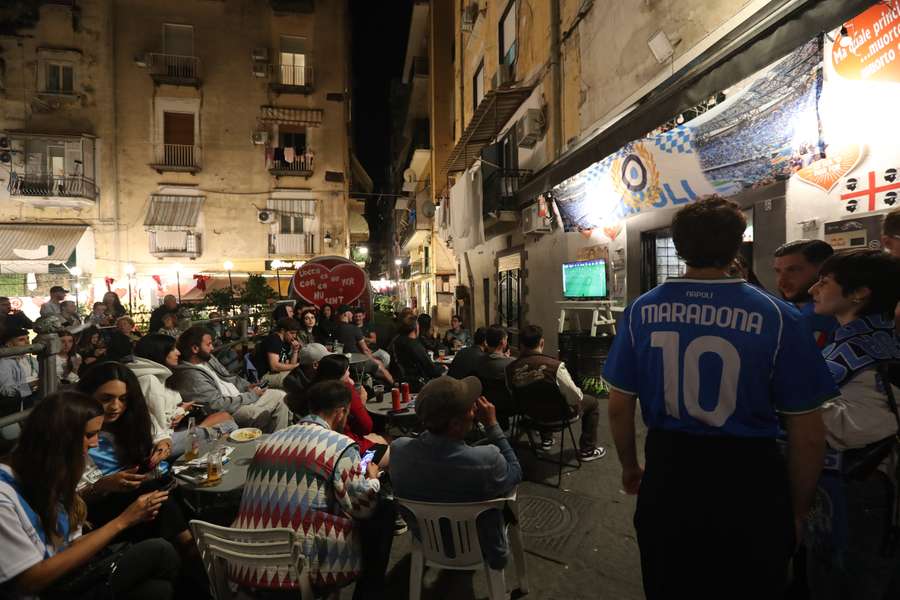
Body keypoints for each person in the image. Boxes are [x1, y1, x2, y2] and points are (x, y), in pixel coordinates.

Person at [603, 197, 838, 599]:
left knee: (669, 582)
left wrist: (630, 464)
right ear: (736, 246)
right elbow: (808, 431)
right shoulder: (778, 317)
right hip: (749, 479)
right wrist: (797, 510)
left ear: (678, 248)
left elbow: (620, 403)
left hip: (670, 471)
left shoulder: (642, 311)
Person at [0, 391, 180, 600]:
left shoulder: (49, 474)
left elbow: (71, 544)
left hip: (65, 579)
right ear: (60, 437)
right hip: (46, 591)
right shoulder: (6, 495)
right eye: (88, 435)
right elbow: (29, 581)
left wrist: (132, 517)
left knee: (157, 590)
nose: (95, 443)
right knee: (160, 552)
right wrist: (123, 521)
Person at [232, 380, 394, 599]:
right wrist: (372, 481)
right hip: (297, 567)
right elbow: (361, 508)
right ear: (341, 413)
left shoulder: (268, 441)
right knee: (383, 511)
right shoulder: (338, 444)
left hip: (245, 560)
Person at [805, 250, 900, 598]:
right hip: (844, 485)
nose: (814, 289)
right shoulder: (866, 339)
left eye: (824, 282)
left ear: (859, 293)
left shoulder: (874, 349)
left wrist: (795, 398)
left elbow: (863, 427)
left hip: (863, 488)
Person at [391, 376, 522, 569]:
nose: (475, 410)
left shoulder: (399, 449)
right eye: (470, 408)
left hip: (428, 541)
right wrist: (493, 427)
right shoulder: (487, 460)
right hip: (482, 548)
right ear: (455, 424)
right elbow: (516, 471)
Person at [76, 363, 194, 555]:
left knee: (170, 486)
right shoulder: (74, 431)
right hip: (99, 507)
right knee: (155, 493)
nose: (115, 407)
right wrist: (102, 485)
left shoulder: (133, 418)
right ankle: (191, 547)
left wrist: (164, 445)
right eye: (106, 399)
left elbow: (161, 434)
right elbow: (65, 501)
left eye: (123, 399)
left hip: (147, 488)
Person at [507, 324, 606, 460]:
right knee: (592, 402)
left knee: (537, 395)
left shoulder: (510, 369)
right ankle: (587, 450)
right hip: (559, 417)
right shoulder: (555, 367)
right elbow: (575, 398)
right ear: (542, 342)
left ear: (521, 345)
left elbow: (514, 396)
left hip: (530, 417)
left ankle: (546, 440)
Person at [130, 334, 236, 458]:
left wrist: (183, 409)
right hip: (160, 444)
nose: (178, 352)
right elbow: (161, 426)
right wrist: (182, 410)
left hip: (170, 432)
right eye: (173, 349)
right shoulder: (149, 380)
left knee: (223, 418)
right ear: (159, 352)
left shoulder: (157, 374)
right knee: (227, 423)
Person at [170, 326, 292, 432]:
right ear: (195, 349)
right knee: (260, 415)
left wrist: (247, 386)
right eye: (208, 344)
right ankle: (267, 445)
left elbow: (229, 377)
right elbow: (216, 405)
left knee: (282, 396)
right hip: (231, 408)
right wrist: (251, 396)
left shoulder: (208, 359)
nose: (212, 347)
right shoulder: (190, 375)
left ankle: (280, 439)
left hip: (241, 396)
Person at [312, 354, 390, 465]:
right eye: (348, 370)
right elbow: (366, 426)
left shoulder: (314, 388)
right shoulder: (344, 391)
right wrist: (361, 400)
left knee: (380, 438)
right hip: (347, 446)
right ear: (340, 374)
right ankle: (372, 476)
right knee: (392, 452)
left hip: (321, 444)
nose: (349, 374)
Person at [774, 239, 838, 347]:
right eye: (778, 271)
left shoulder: (837, 314)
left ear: (823, 269)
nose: (782, 281)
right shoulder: (782, 311)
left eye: (793, 270)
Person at [335, 305, 393, 383]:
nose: (353, 315)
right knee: (380, 366)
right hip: (357, 363)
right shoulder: (354, 329)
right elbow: (365, 350)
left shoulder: (335, 329)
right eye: (351, 313)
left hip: (343, 363)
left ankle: (372, 379)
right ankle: (394, 385)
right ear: (346, 314)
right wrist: (374, 360)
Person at [390, 313, 445, 391]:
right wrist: (443, 368)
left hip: (401, 382)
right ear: (415, 328)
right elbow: (430, 369)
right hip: (417, 383)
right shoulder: (414, 345)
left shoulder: (397, 341)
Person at [254, 317, 301, 389]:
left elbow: (290, 365)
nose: (294, 336)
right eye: (292, 333)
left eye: (295, 333)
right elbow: (274, 366)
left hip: (278, 373)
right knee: (294, 381)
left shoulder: (286, 342)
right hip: (265, 376)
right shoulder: (274, 340)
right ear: (282, 331)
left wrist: (295, 351)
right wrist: (296, 366)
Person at [0, 328, 38, 415]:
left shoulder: (30, 359)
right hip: (17, 407)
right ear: (8, 344)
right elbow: (7, 392)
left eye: (27, 338)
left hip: (36, 399)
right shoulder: (4, 363)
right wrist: (33, 384)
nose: (28, 343)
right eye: (21, 340)